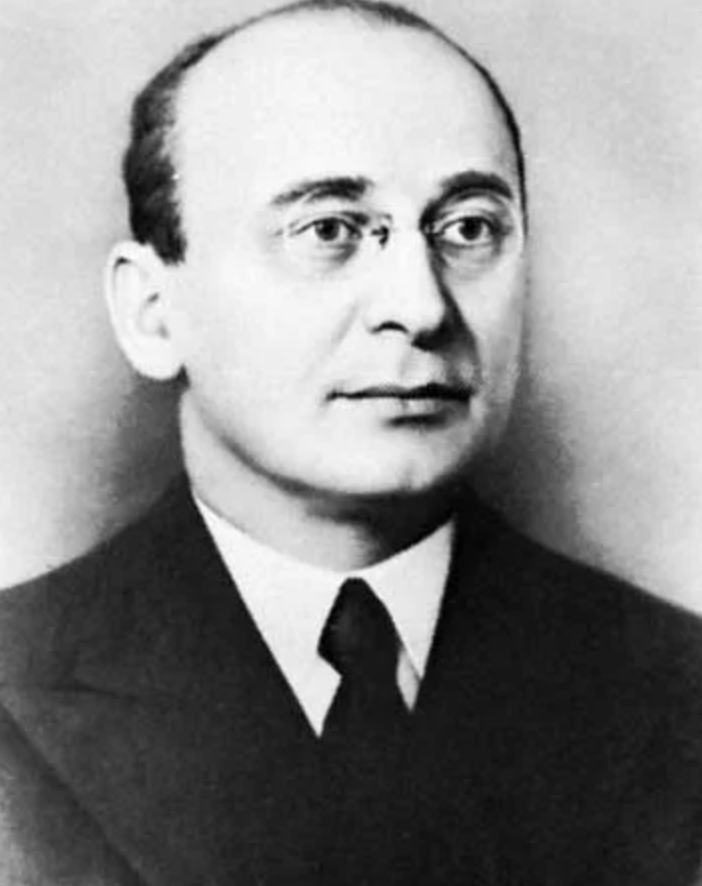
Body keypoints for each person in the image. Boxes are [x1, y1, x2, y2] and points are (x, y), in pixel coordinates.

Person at [1, 1, 701, 884]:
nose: (422, 306)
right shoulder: (15, 681)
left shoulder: (678, 687)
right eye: (328, 230)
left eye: (468, 229)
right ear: (152, 313)